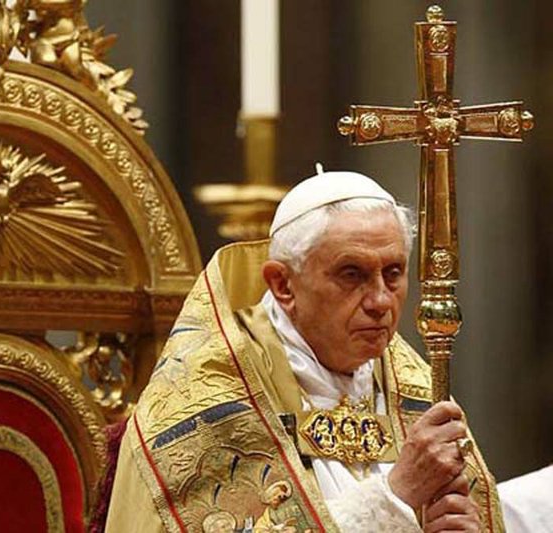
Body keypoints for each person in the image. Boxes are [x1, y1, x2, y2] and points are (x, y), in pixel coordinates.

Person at [104, 169, 501, 532]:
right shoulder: (209, 403)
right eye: (352, 274)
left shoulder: (413, 395)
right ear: (283, 285)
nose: (381, 300)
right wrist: (393, 499)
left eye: (393, 273)